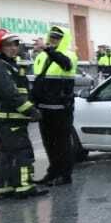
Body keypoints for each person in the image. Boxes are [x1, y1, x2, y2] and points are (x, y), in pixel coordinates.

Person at [0, 29, 47, 200]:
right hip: (9, 117)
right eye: (8, 45)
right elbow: (9, 93)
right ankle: (24, 187)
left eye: (15, 44)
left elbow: (21, 89)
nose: (13, 48)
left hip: (9, 118)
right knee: (22, 152)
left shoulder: (7, 64)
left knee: (7, 154)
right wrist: (30, 110)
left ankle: (3, 188)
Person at [31, 23, 79, 186]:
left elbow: (65, 63)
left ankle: (64, 175)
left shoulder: (68, 54)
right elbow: (39, 80)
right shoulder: (43, 55)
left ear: (64, 39)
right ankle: (53, 173)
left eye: (57, 38)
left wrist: (47, 49)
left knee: (62, 144)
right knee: (49, 144)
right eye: (51, 37)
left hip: (61, 109)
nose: (53, 40)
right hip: (44, 109)